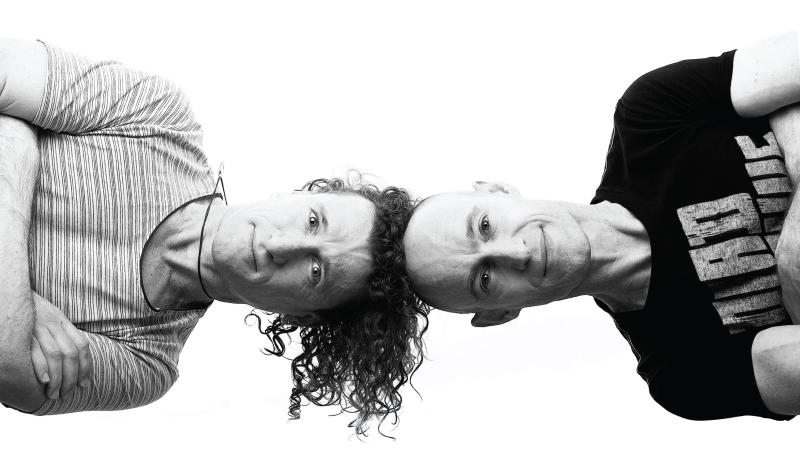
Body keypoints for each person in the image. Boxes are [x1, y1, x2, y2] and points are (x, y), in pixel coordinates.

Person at [0, 40, 427, 435]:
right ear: (300, 195)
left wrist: (16, 145)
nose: (282, 246)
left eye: (316, 271)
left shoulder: (147, 361)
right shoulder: (157, 117)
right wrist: (17, 303)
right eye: (313, 221)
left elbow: (7, 368)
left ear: (301, 315)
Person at [403, 30, 800, 421]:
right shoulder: (682, 373)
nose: (516, 252)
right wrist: (784, 117)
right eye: (485, 278)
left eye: (486, 226)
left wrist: (793, 252)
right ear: (501, 314)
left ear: (499, 191)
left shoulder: (651, 115)